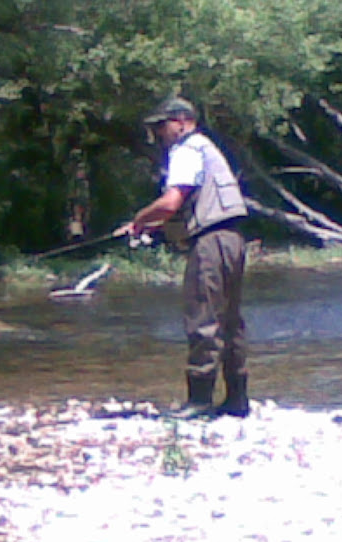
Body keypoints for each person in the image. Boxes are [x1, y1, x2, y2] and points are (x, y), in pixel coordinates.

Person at [114, 96, 251, 419]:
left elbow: (171, 202)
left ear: (181, 121)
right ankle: (237, 399)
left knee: (202, 317)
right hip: (233, 238)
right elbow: (189, 207)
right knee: (230, 320)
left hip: (211, 243)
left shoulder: (186, 149)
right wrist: (149, 225)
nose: (159, 134)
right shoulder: (208, 148)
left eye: (161, 126)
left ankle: (199, 400)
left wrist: (139, 220)